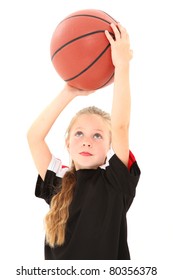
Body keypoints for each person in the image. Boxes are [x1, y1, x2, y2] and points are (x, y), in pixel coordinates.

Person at [27, 22, 140, 260]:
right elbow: (34, 136)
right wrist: (69, 91)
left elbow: (120, 126)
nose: (87, 141)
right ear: (67, 142)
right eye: (79, 133)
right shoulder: (58, 181)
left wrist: (122, 66)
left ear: (109, 146)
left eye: (97, 135)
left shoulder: (116, 181)